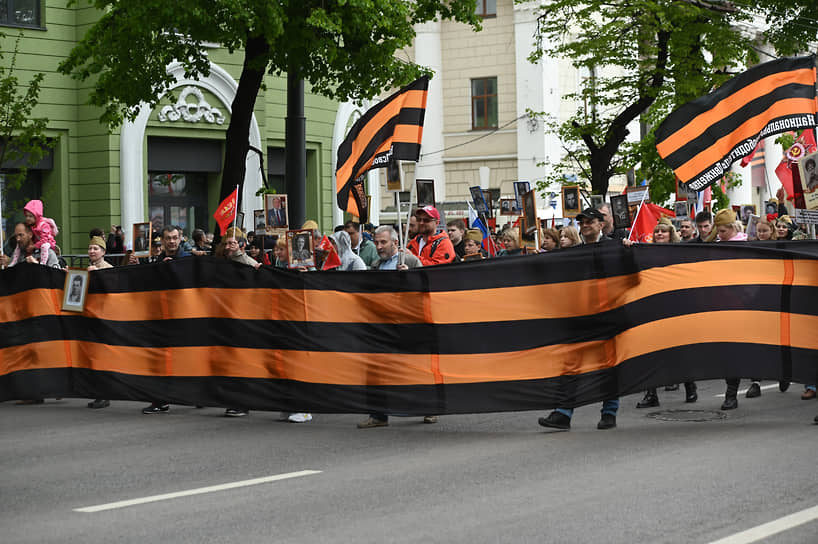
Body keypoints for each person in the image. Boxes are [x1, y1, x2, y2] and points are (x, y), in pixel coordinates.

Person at [539, 208, 619, 431]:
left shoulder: (615, 247)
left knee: (608, 366)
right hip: (580, 317)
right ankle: (563, 413)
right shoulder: (575, 253)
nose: (584, 225)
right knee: (571, 365)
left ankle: (609, 413)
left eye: (589, 221)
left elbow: (631, 275)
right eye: (581, 222)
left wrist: (631, 250)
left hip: (607, 316)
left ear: (601, 224)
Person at [358, 226, 433, 428]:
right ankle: (378, 415)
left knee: (415, 368)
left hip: (407, 324)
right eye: (377, 242)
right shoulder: (375, 265)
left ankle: (429, 408)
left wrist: (411, 277)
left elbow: (425, 288)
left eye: (383, 242)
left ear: (395, 243)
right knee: (374, 370)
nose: (379, 246)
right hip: (382, 325)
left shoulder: (409, 261)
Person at [625, 219, 698, 407]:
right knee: (651, 352)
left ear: (670, 234)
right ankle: (651, 394)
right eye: (656, 231)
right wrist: (630, 247)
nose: (659, 234)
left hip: (675, 309)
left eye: (663, 231)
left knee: (678, 352)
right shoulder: (646, 254)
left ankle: (690, 386)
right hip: (653, 308)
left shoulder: (679, 253)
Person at [141, 225, 191, 415]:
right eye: (168, 238)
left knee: (186, 359)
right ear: (162, 240)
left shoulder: (188, 259)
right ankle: (159, 401)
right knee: (160, 361)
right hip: (161, 318)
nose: (171, 241)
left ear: (181, 239)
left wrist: (176, 269)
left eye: (175, 238)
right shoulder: (157, 260)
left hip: (183, 317)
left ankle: (196, 395)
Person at [86, 235, 113, 409]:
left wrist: (98, 276)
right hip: (91, 317)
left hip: (104, 318)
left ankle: (104, 394)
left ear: (103, 251)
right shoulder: (89, 268)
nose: (92, 251)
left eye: (96, 248)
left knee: (102, 358)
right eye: (90, 248)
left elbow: (111, 291)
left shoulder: (108, 268)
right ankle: (98, 393)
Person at [22, 199, 59, 266]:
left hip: (48, 242)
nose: (27, 218)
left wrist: (34, 246)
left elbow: (45, 239)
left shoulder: (43, 225)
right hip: (39, 244)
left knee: (44, 246)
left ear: (37, 216)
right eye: (26, 216)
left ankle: (43, 263)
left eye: (30, 216)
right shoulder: (33, 226)